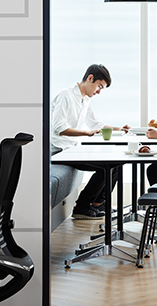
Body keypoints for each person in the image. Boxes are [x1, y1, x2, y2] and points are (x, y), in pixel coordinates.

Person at [51, 64, 132, 220]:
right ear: (90, 78)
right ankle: (81, 207)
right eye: (99, 86)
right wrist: (86, 133)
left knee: (116, 164)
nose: (99, 91)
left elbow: (96, 124)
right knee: (106, 167)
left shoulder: (85, 100)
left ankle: (97, 204)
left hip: (71, 148)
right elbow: (58, 128)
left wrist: (120, 129)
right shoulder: (66, 96)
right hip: (60, 151)